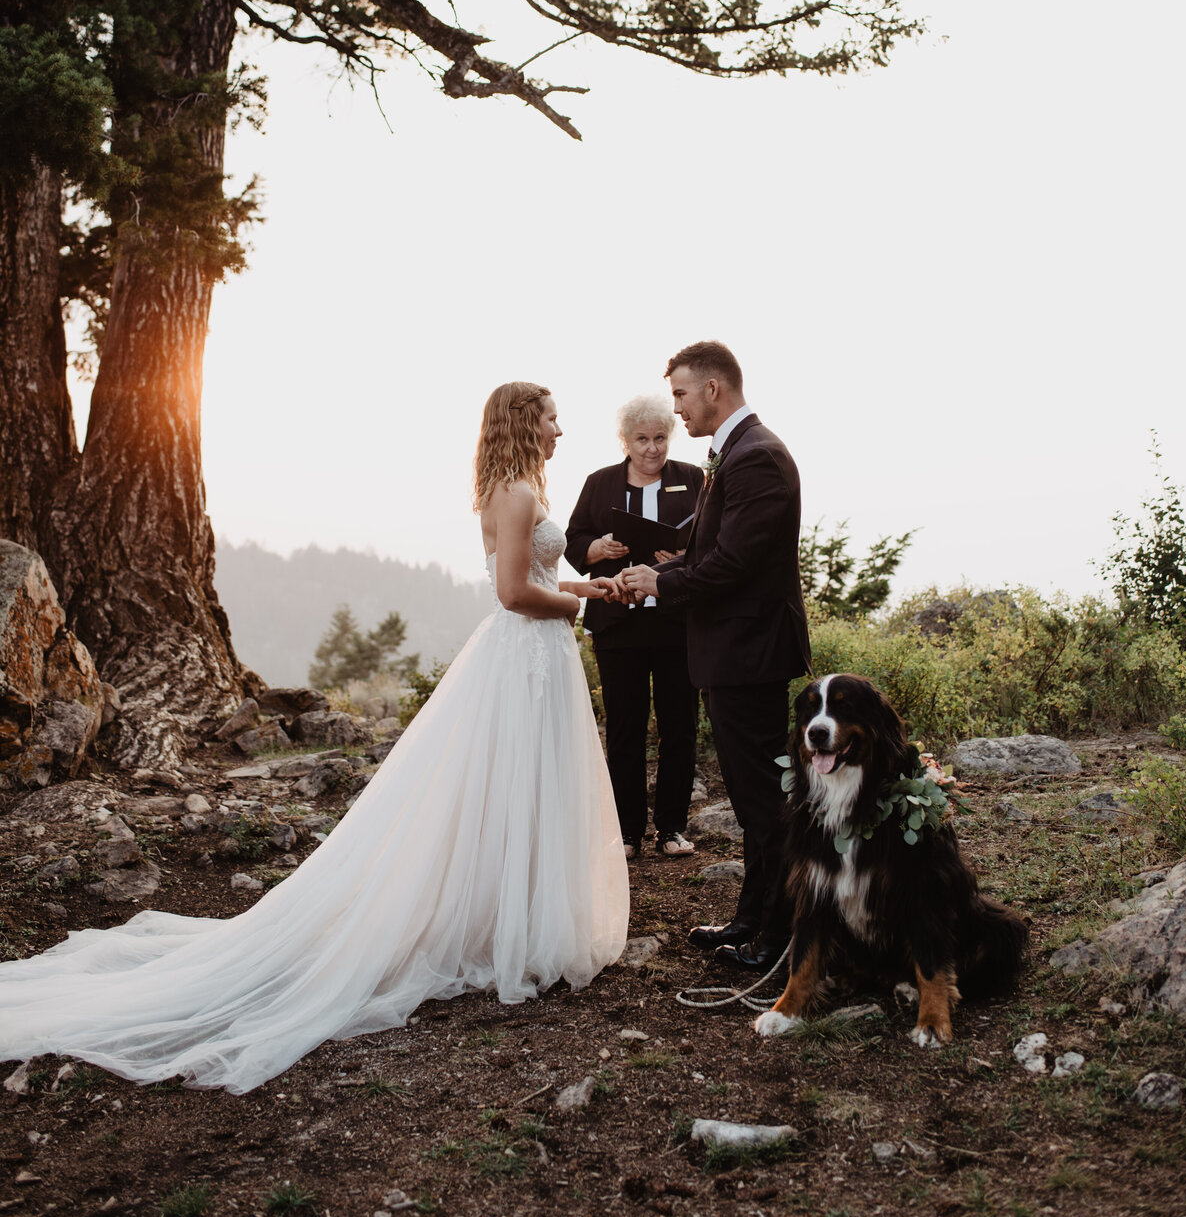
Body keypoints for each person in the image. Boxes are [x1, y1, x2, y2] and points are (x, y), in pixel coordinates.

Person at [0, 383, 629, 1094]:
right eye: (551, 419)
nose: (560, 430)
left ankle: (514, 918)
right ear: (525, 422)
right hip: (524, 656)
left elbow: (535, 578)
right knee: (518, 784)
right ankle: (513, 932)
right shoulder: (515, 494)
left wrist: (586, 589)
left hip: (532, 657)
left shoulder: (513, 489)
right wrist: (575, 606)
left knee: (528, 787)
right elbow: (513, 593)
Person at [620, 341, 812, 975]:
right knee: (752, 797)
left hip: (749, 651)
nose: (675, 409)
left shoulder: (757, 456)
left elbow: (734, 564)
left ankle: (782, 940)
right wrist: (659, 564)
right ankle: (753, 916)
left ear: (711, 390)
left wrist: (661, 585)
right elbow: (710, 543)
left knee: (764, 801)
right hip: (733, 650)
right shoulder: (736, 451)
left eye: (679, 394)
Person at [565, 396, 704, 860]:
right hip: (617, 624)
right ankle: (626, 832)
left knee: (679, 726)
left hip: (675, 622)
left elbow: (712, 545)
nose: (652, 448)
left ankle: (672, 828)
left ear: (671, 437)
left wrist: (682, 561)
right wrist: (596, 549)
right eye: (642, 439)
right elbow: (572, 543)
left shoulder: (694, 479)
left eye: (660, 437)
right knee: (624, 728)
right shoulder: (599, 483)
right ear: (625, 441)